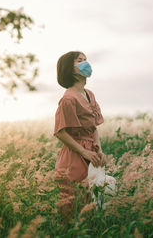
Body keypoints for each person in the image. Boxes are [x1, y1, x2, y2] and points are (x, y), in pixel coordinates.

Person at [53, 51, 107, 220]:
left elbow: (93, 127)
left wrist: (98, 149)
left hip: (91, 152)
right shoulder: (68, 98)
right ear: (70, 69)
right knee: (74, 207)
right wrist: (84, 152)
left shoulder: (89, 94)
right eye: (80, 61)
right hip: (74, 155)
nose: (86, 63)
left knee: (94, 202)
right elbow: (60, 132)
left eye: (86, 60)